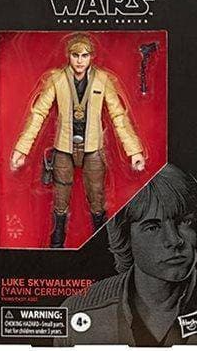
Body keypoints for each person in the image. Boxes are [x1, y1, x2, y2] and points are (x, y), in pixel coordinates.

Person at [10, 33, 145, 248]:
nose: (80, 60)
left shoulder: (102, 80)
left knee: (97, 198)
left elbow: (118, 115)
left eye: (84, 55)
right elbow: (38, 113)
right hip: (63, 147)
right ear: (68, 56)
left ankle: (103, 244)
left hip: (93, 147)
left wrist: (134, 151)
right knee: (60, 199)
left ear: (91, 56)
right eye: (75, 55)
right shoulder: (57, 79)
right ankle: (57, 243)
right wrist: (22, 149)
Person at [56, 164, 197, 346]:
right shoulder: (77, 313)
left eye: (185, 222)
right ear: (125, 236)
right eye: (152, 227)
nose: (174, 240)